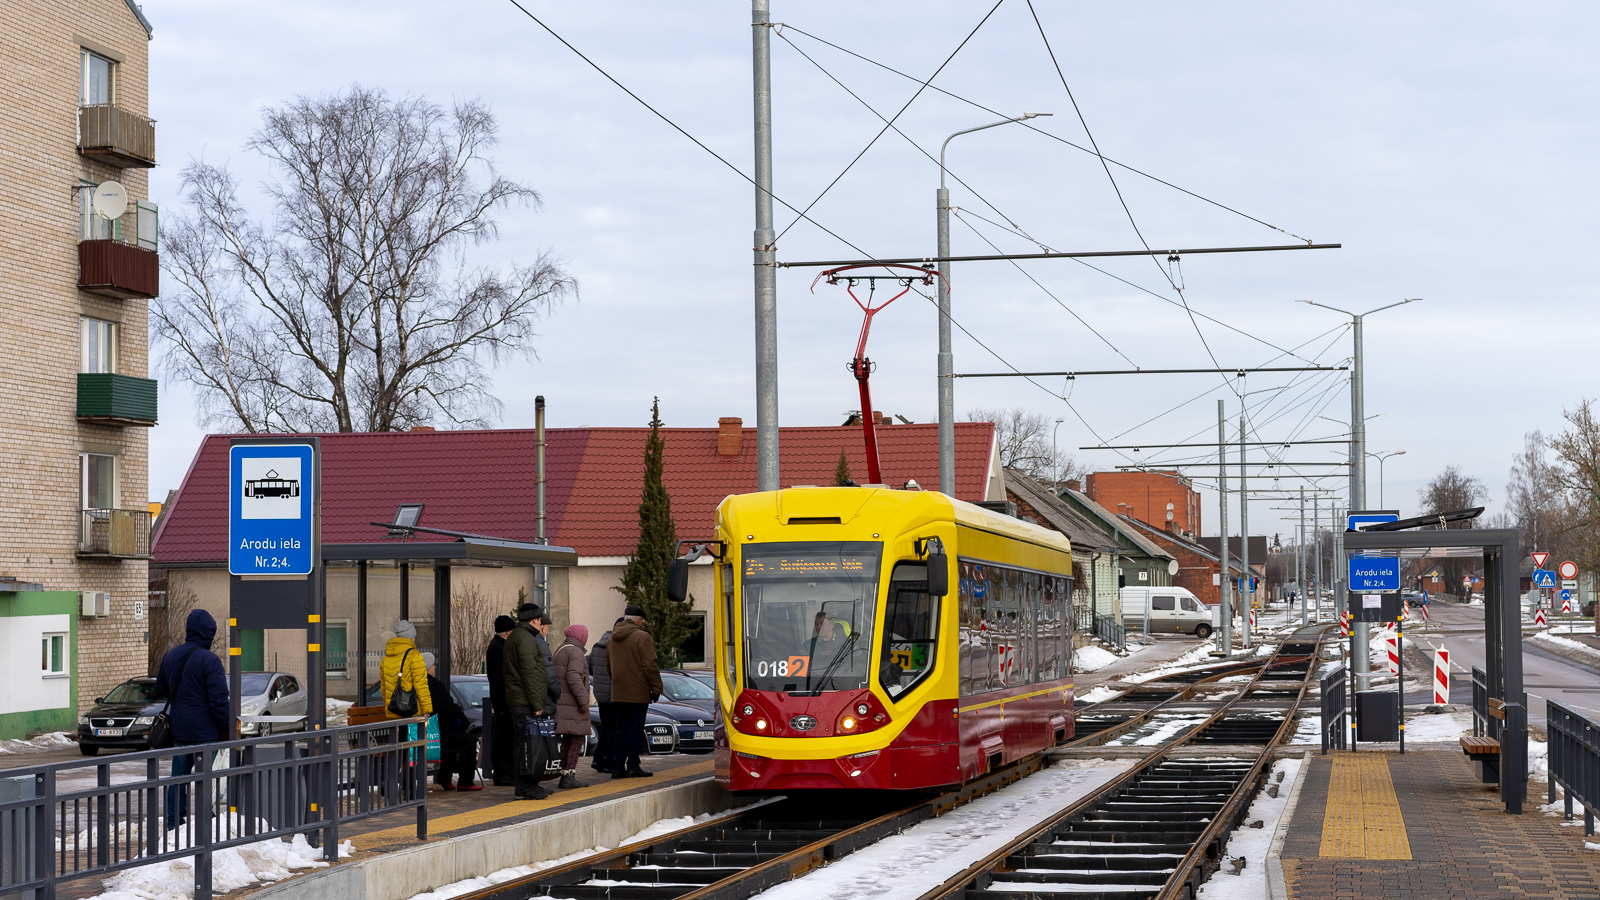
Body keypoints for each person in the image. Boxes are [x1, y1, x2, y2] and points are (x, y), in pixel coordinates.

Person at [155, 609, 230, 828]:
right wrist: (227, 728)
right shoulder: (210, 660)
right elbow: (219, 700)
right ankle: (206, 820)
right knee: (206, 779)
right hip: (206, 732)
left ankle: (174, 822)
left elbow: (161, 688)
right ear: (209, 633)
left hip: (180, 729)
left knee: (178, 778)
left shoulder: (170, 656)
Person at [606, 605, 663, 779]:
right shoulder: (642, 637)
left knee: (620, 729)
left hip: (618, 692)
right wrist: (656, 687)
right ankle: (633, 765)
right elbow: (650, 665)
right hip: (637, 692)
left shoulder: (612, 638)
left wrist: (618, 683)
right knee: (634, 730)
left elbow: (608, 666)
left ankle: (617, 766)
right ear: (639, 620)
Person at [503, 602, 552, 800]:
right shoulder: (526, 639)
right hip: (524, 701)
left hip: (518, 699)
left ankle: (530, 784)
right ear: (534, 619)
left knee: (523, 744)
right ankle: (525, 788)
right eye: (540, 619)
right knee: (527, 745)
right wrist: (537, 703)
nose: (541, 623)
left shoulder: (517, 636)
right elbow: (530, 673)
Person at [423, 652, 481, 791]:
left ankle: (445, 778)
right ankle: (465, 781)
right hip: (435, 730)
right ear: (426, 667)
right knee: (469, 741)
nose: (435, 667)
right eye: (432, 665)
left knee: (453, 741)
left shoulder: (416, 682)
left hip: (423, 729)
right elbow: (447, 707)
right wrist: (462, 721)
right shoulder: (433, 685)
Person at [553, 624, 592, 789]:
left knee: (568, 740)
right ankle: (569, 775)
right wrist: (584, 701)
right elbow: (574, 677)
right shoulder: (576, 652)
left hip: (562, 703)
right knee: (576, 739)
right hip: (574, 704)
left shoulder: (561, 649)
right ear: (580, 636)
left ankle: (564, 774)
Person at [587, 618, 623, 774]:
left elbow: (589, 667)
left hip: (600, 695)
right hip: (615, 693)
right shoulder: (617, 645)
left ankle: (597, 759)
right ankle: (608, 761)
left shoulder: (597, 646)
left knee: (606, 727)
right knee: (615, 729)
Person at [380, 619, 433, 721]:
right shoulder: (414, 655)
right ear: (411, 637)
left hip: (393, 710)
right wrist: (427, 709)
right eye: (414, 636)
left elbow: (383, 688)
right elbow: (421, 685)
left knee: (397, 737)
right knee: (413, 737)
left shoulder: (386, 658)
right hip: (411, 712)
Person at [485, 614, 516, 786]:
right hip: (503, 701)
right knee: (503, 737)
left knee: (506, 736)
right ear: (508, 631)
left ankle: (506, 771)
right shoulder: (498, 648)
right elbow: (499, 678)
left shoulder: (498, 646)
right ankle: (502, 772)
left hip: (502, 699)